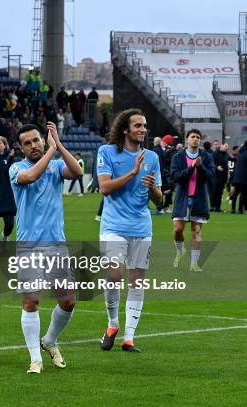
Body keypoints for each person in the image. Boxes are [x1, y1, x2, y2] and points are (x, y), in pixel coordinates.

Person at [9, 122, 82, 374]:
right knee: (31, 301)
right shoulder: (16, 168)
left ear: (43, 139)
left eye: (36, 140)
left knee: (69, 300)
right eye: (27, 143)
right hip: (29, 246)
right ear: (20, 148)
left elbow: (77, 172)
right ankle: (34, 358)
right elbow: (30, 177)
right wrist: (51, 151)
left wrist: (58, 145)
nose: (33, 145)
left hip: (56, 245)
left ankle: (49, 341)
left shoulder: (55, 166)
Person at [97, 108, 162, 353]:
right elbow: (104, 188)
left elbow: (159, 201)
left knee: (137, 281)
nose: (143, 130)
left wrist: (154, 188)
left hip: (141, 227)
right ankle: (112, 324)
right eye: (138, 126)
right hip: (113, 226)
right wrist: (132, 172)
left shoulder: (152, 157)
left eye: (144, 126)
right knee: (114, 274)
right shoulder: (107, 152)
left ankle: (129, 337)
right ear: (125, 129)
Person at [170, 129, 215, 272]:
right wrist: (191, 168)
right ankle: (181, 250)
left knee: (196, 231)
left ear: (200, 141)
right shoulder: (178, 157)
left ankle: (194, 263)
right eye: (193, 137)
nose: (195, 139)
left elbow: (210, 176)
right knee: (178, 229)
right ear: (187, 140)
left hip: (199, 199)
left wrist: (200, 166)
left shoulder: (206, 157)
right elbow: (175, 176)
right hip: (182, 198)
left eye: (198, 137)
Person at [211, 143, 229, 212]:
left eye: (227, 147)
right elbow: (211, 163)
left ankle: (218, 207)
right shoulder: (215, 153)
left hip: (223, 176)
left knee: (220, 193)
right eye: (226, 146)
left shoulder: (226, 153)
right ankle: (213, 206)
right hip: (216, 176)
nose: (227, 148)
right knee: (215, 192)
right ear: (221, 145)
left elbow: (229, 160)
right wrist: (217, 167)